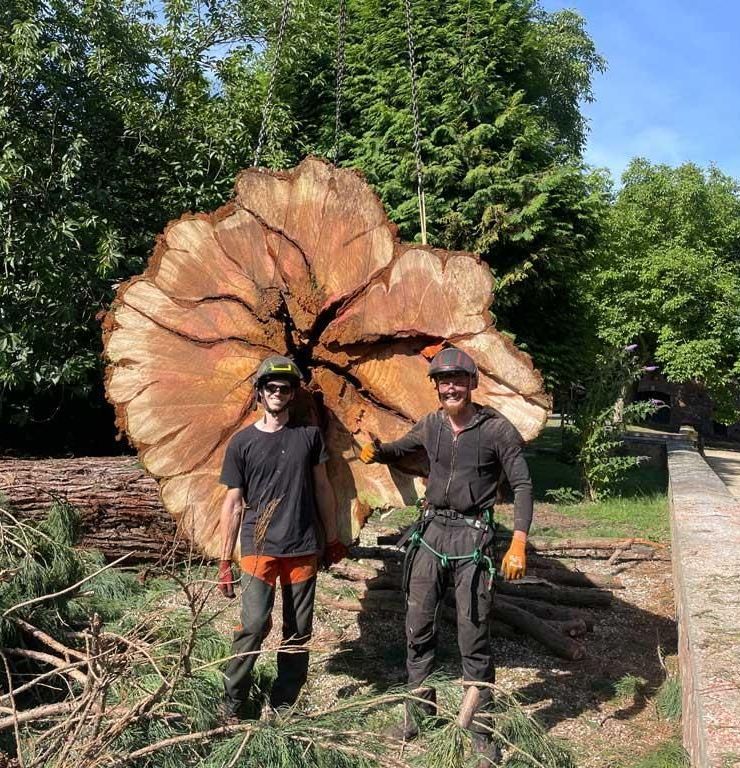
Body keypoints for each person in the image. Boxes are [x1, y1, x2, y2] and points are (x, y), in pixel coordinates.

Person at [359, 347, 533, 766]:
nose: (450, 386)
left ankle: (480, 729)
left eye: (457, 379)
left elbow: (524, 486)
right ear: (436, 387)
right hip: (432, 532)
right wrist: (379, 452)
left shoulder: (497, 430)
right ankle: (419, 713)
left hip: (473, 538)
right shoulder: (432, 424)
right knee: (417, 626)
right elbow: (403, 448)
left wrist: (519, 541)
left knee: (473, 635)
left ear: (472, 383)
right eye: (442, 380)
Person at [217, 355, 347, 719]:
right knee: (254, 625)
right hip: (258, 549)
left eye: (284, 388)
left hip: (303, 547)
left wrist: (333, 537)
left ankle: (284, 701)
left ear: (292, 395)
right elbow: (233, 503)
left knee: (298, 631)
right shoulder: (242, 443)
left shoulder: (308, 437)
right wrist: (224, 561)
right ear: (260, 392)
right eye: (271, 387)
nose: (277, 393)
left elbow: (322, 487)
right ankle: (234, 701)